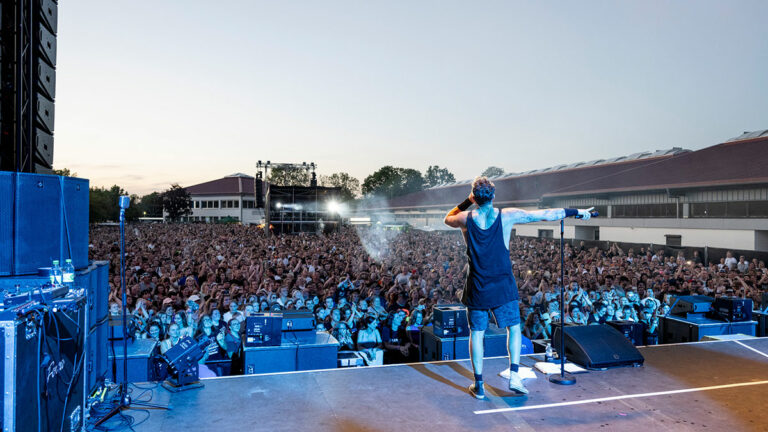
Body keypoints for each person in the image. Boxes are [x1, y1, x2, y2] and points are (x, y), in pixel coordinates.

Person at [444, 175, 593, 398]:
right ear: (493, 196)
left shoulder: (465, 218)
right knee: (513, 328)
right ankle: (514, 375)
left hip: (477, 285)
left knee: (477, 334)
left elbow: (447, 217)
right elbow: (545, 215)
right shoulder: (507, 215)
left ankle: (480, 385)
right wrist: (579, 213)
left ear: (475, 197)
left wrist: (467, 201)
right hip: (503, 283)